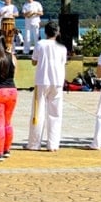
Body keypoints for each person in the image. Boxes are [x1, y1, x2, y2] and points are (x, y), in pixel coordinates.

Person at [26, 22, 68, 152]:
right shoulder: (62, 48)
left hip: (42, 80)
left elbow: (34, 61)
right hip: (57, 81)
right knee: (55, 113)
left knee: (38, 112)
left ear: (45, 32)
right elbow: (63, 63)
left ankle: (34, 143)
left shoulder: (40, 44)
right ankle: (53, 144)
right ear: (57, 32)